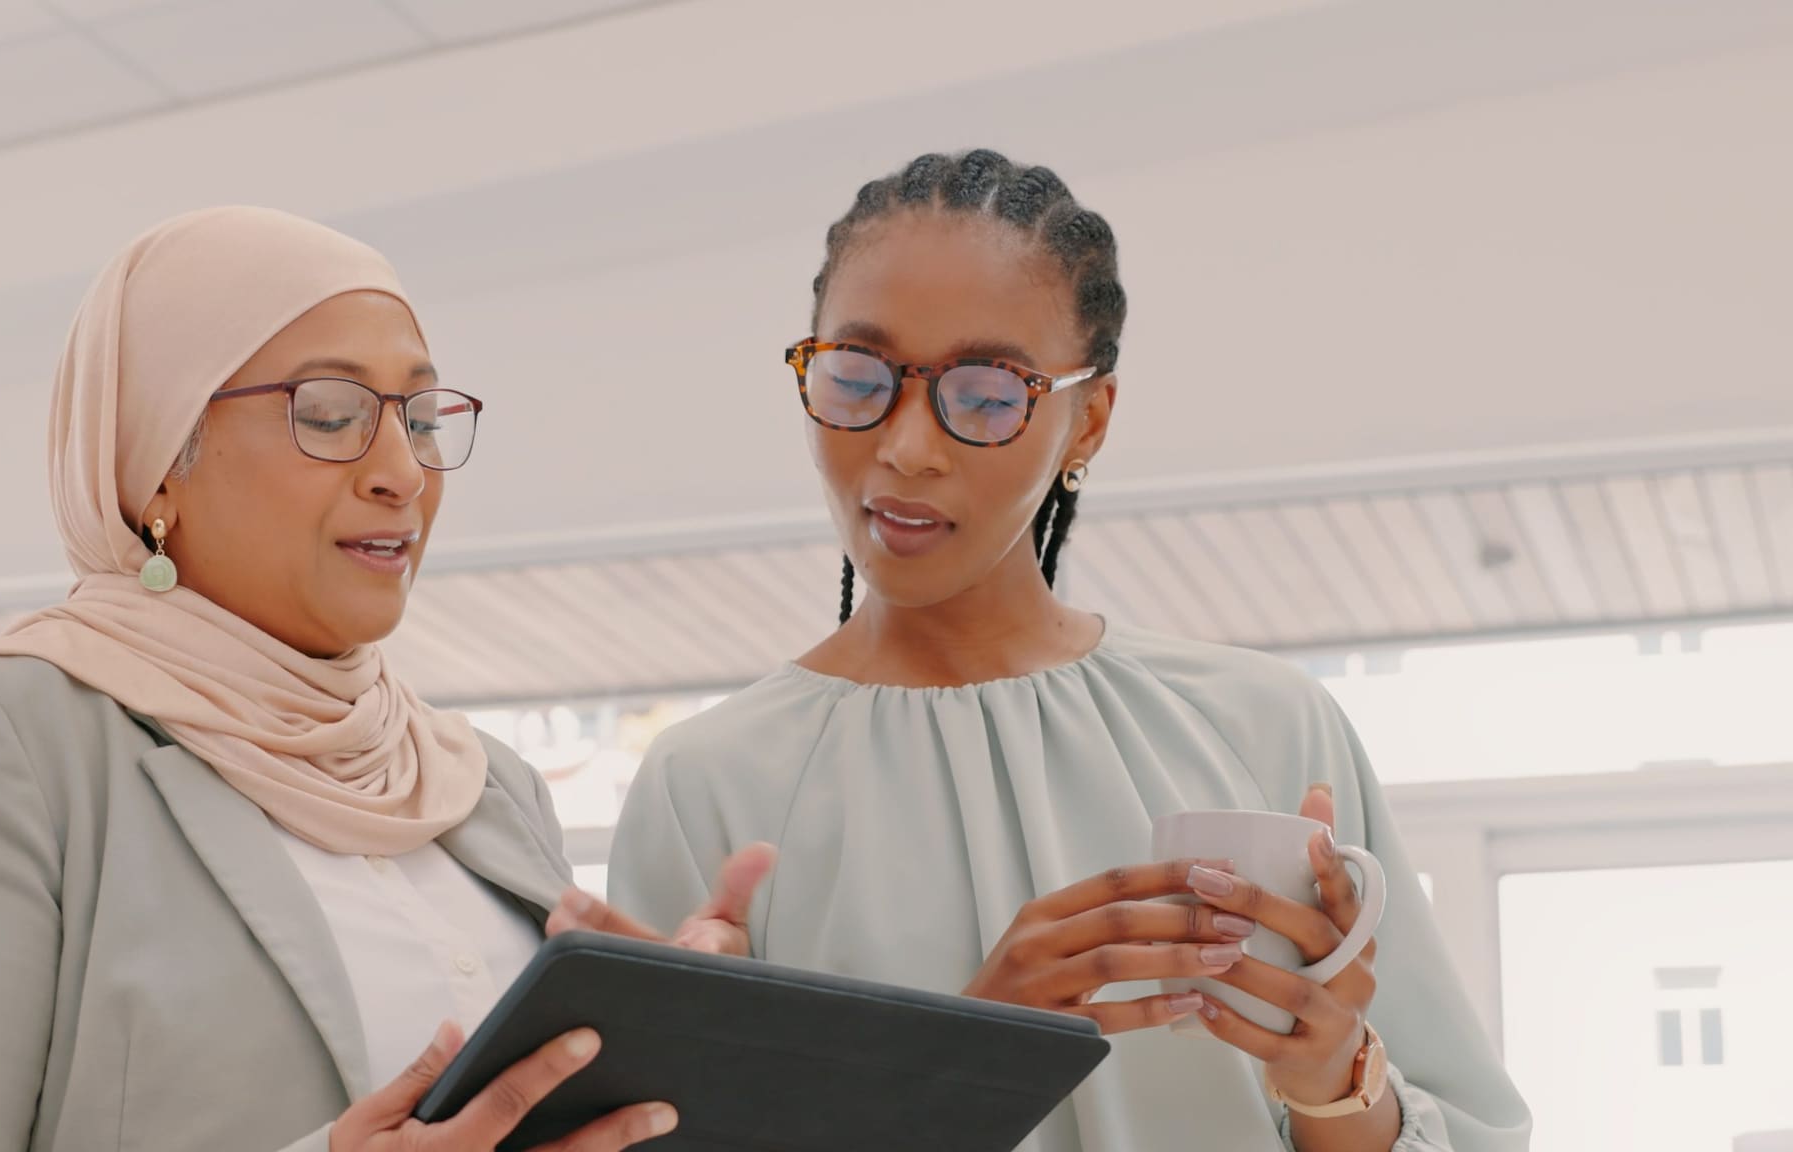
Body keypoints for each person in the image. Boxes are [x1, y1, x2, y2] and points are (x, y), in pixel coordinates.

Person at [585, 151, 1533, 1151]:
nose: (905, 445)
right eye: (857, 378)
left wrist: (1334, 1083)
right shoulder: (709, 788)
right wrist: (973, 1057)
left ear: (1087, 420)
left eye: (985, 396)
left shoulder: (1261, 724)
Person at [0, 207, 763, 1152]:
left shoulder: (483, 784)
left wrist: (683, 1054)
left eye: (420, 418)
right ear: (157, 463)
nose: (403, 472)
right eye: (331, 415)